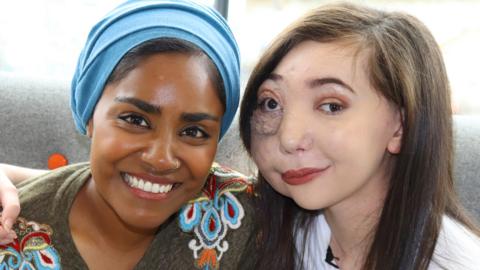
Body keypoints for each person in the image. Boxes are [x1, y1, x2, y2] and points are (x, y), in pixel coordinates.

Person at [0, 0, 255, 269]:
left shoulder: (246, 220)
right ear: (89, 116)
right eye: (135, 120)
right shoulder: (10, 234)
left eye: (193, 131)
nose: (161, 159)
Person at [238, 3, 480, 270]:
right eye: (271, 104)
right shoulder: (265, 240)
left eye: (331, 106)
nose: (289, 138)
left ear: (401, 127)